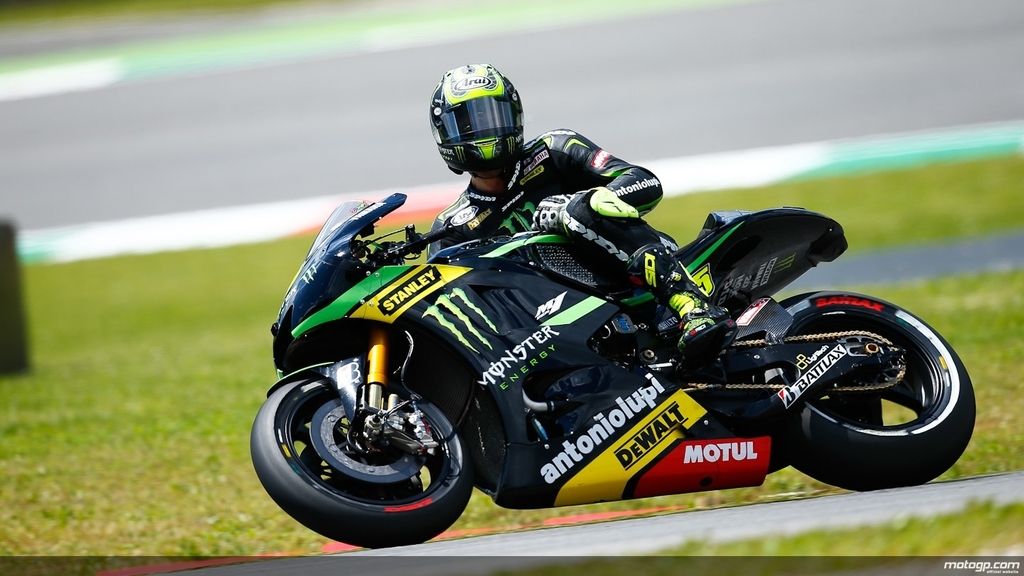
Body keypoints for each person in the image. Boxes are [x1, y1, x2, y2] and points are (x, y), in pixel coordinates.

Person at [427, 64, 735, 365]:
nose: (483, 130)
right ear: (445, 133)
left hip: (634, 278)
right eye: (468, 123)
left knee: (577, 210)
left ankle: (691, 304)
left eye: (490, 116)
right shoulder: (451, 227)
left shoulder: (554, 149)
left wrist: (575, 205)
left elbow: (643, 180)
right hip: (551, 331)